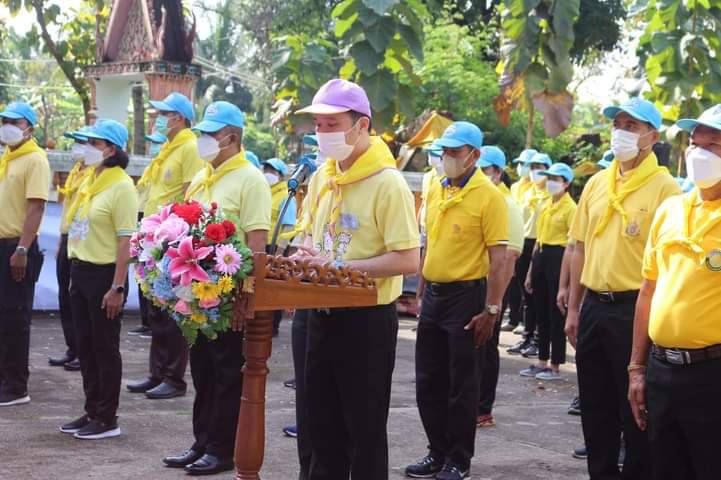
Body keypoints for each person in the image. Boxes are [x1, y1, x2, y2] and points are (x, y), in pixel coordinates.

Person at [293, 78, 420, 480]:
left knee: (363, 430)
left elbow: (408, 259)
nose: (322, 133)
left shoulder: (387, 183)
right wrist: (306, 253)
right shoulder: (322, 177)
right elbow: (310, 234)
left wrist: (343, 268)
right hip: (320, 313)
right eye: (317, 125)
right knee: (320, 424)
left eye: (332, 124)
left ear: (361, 125)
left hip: (366, 320)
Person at [564, 97, 680, 480]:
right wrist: (575, 307)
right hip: (595, 305)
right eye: (619, 124)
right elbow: (580, 246)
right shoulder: (598, 182)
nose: (622, 133)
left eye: (632, 126)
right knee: (595, 411)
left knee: (635, 412)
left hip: (635, 310)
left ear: (652, 136)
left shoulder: (665, 189)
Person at [161, 100, 271, 475]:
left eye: (210, 134)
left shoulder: (251, 179)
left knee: (227, 370)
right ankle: (202, 441)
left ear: (232, 137)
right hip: (198, 289)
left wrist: (247, 294)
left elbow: (257, 242)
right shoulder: (202, 176)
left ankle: (223, 448)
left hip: (228, 287)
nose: (203, 140)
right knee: (203, 368)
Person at [406, 123, 508, 480]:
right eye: (444, 152)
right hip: (434, 292)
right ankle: (436, 451)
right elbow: (429, 241)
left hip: (468, 295)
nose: (447, 158)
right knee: (428, 379)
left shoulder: (490, 197)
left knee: (461, 383)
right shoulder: (436, 187)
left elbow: (500, 258)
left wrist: (491, 309)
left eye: (454, 152)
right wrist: (420, 285)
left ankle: (458, 460)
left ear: (474, 156)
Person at [629, 105, 721, 479]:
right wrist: (637, 367)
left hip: (712, 375)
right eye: (695, 143)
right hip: (661, 371)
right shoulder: (670, 210)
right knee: (665, 467)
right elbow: (648, 290)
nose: (699, 153)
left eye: (712, 145)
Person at [58, 119, 138, 438]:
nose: (88, 148)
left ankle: (107, 417)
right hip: (81, 270)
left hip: (106, 274)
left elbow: (125, 241)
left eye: (94, 143)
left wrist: (117, 286)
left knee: (105, 347)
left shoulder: (122, 187)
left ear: (111, 149)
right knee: (86, 346)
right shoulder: (93, 178)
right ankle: (92, 409)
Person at [128, 92, 204, 400]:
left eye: (164, 114)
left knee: (173, 310)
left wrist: (177, 235)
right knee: (157, 309)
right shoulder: (168, 148)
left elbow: (188, 195)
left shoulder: (189, 147)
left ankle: (173, 377)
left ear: (180, 119)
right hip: (154, 235)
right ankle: (157, 372)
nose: (157, 118)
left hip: (172, 237)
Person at [0, 102, 49, 407]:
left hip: (18, 246)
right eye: (3, 120)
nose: (6, 125)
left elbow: (37, 206)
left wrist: (22, 248)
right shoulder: (9, 157)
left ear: (29, 127)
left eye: (13, 121)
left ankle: (17, 385)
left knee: (15, 317)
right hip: (2, 243)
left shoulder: (35, 159)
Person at [475, 145, 523, 428]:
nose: (479, 175)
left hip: (490, 286)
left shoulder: (507, 205)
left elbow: (508, 258)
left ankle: (483, 408)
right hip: (471, 284)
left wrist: (497, 300)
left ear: (498, 173)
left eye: (485, 170)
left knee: (486, 349)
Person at [521, 162, 576, 381]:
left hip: (558, 258)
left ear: (566, 183)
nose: (551, 182)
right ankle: (542, 360)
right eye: (549, 178)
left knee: (556, 314)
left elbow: (573, 246)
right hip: (541, 255)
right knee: (540, 311)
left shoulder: (571, 209)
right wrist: (530, 271)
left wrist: (568, 280)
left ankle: (555, 364)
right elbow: (539, 240)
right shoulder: (545, 204)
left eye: (556, 179)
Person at [49, 127, 95, 371]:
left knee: (77, 298)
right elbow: (68, 209)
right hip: (67, 237)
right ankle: (72, 347)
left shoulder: (93, 175)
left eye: (83, 142)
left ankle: (82, 350)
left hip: (81, 240)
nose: (78, 147)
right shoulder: (77, 171)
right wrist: (60, 239)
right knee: (65, 297)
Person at [507, 152, 551, 356]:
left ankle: (539, 340)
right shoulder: (526, 191)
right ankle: (527, 336)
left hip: (541, 245)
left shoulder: (550, 194)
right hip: (523, 242)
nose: (535, 172)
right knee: (525, 293)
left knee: (538, 295)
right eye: (532, 167)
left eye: (540, 167)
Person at [128, 130, 168, 339]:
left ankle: (154, 322)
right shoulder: (152, 167)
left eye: (157, 143)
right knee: (142, 274)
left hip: (156, 222)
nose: (153, 147)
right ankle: (146, 321)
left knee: (154, 275)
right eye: (151, 143)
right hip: (143, 219)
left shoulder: (164, 168)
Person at [503, 148, 537, 332]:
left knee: (527, 282)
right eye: (521, 164)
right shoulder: (516, 187)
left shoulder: (537, 189)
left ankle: (526, 323)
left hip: (533, 239)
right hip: (515, 237)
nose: (522, 168)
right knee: (513, 280)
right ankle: (513, 318)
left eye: (526, 165)